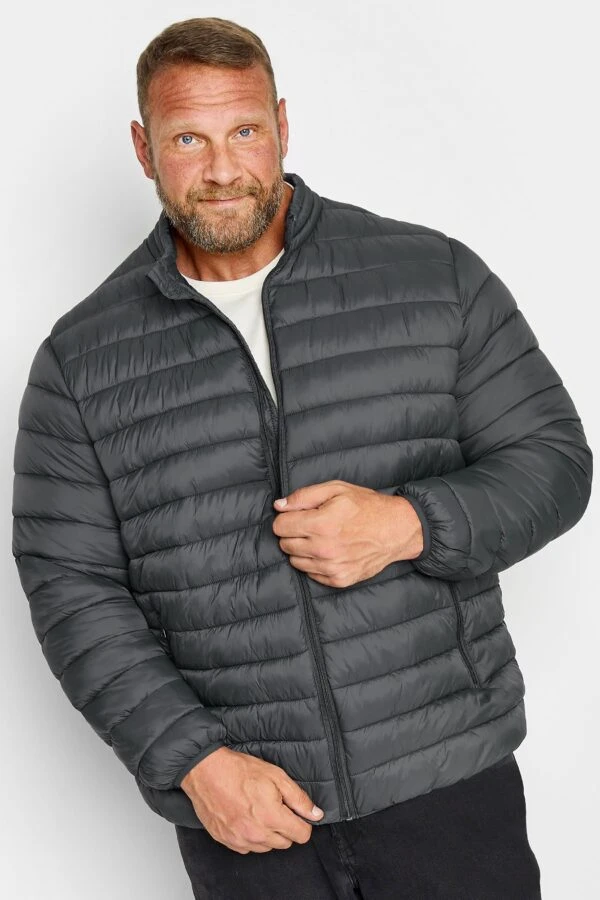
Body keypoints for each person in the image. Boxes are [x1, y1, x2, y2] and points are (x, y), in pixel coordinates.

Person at [11, 15, 592, 900]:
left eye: (244, 130)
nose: (221, 168)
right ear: (143, 147)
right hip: (249, 815)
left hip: (447, 782)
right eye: (187, 139)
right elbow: (69, 585)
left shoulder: (431, 277)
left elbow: (553, 461)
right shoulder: (81, 360)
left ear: (282, 123)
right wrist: (195, 761)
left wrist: (409, 523)